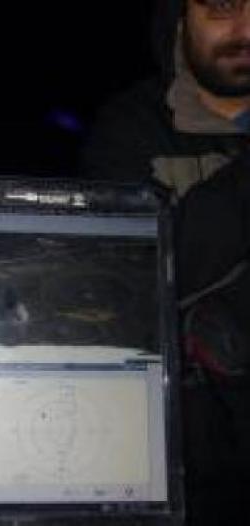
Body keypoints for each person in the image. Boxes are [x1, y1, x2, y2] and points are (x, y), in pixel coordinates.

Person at [80, 0, 250, 523]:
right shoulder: (130, 130)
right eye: (223, 7)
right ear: (178, 17)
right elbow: (129, 284)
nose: (245, 30)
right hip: (196, 479)